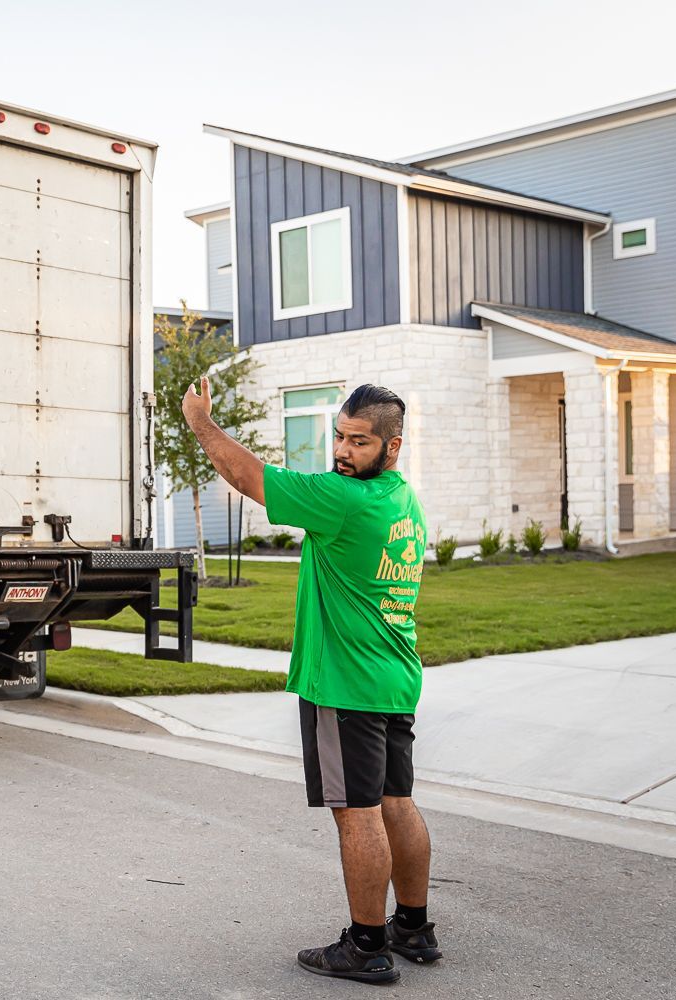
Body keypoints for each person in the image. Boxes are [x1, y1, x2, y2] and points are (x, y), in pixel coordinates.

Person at [182, 378, 439, 986]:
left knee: (357, 813)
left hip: (344, 686)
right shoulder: (401, 499)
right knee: (396, 802)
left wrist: (201, 423)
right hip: (393, 678)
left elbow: (250, 478)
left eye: (359, 442)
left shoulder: (343, 502)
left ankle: (367, 945)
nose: (343, 451)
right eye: (340, 438)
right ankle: (413, 927)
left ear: (392, 447)